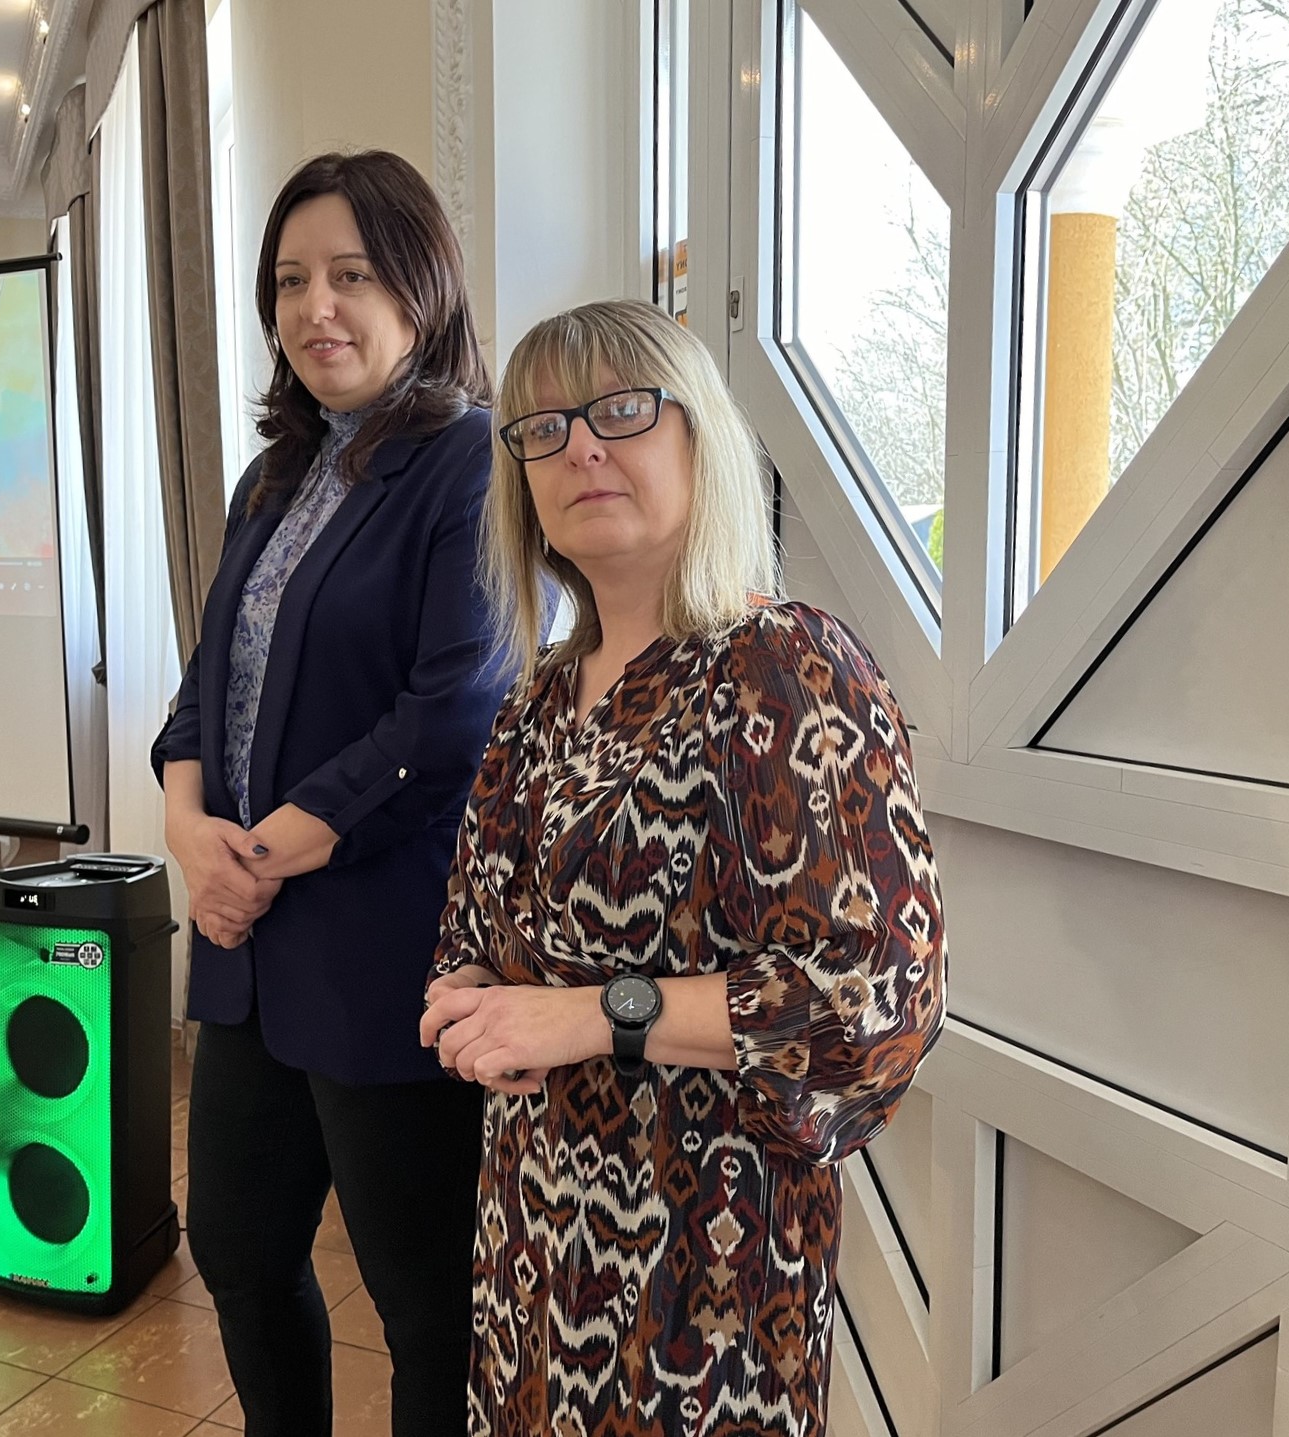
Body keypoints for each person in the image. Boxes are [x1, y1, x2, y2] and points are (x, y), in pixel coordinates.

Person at [420, 299, 946, 1434]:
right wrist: (463, 996)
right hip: (531, 1244)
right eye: (543, 429)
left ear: (700, 438)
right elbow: (476, 926)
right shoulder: (536, 700)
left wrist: (587, 1017)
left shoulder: (783, 666)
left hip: (703, 1278)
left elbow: (873, 1000)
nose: (580, 448)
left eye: (620, 410)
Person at [151, 150, 506, 1436]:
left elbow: (451, 709)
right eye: (291, 281)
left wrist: (256, 859)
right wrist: (189, 834)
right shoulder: (273, 477)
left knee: (422, 1303)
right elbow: (205, 684)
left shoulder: (471, 462)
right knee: (237, 1249)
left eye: (351, 275)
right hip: (246, 945)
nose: (316, 309)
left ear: (422, 287)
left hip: (380, 944)